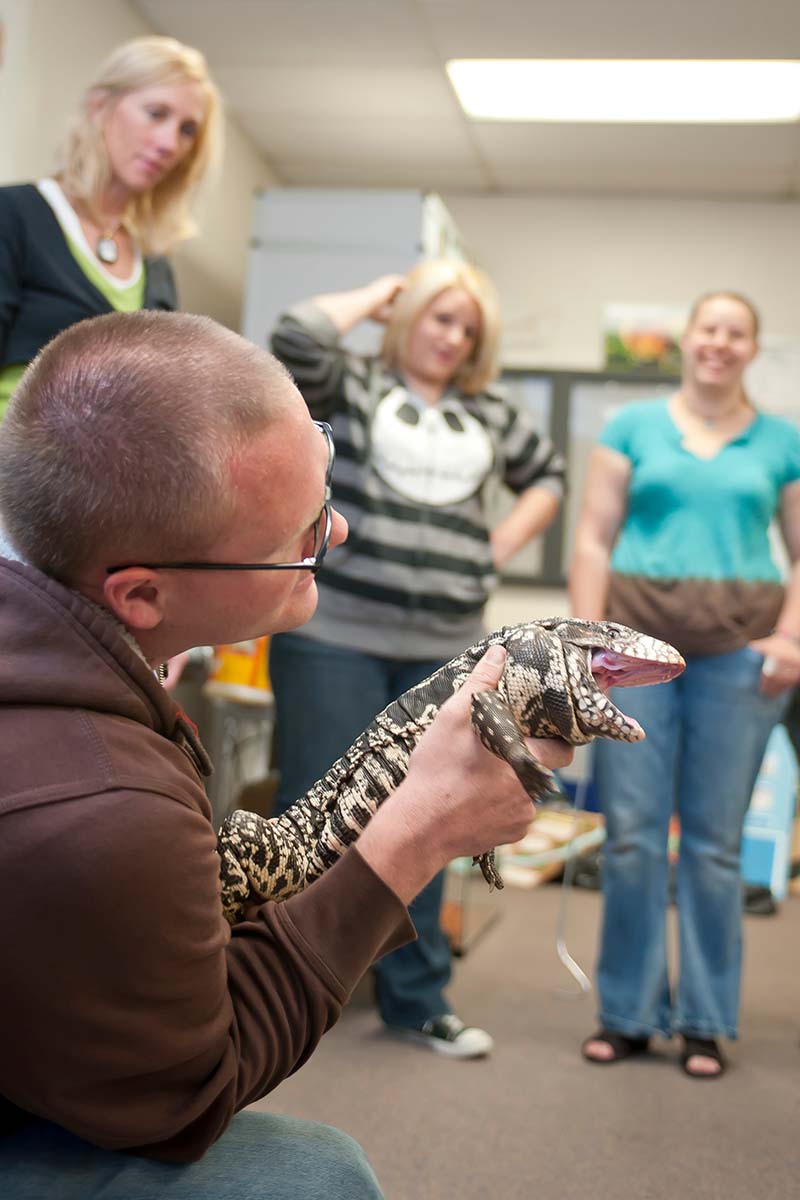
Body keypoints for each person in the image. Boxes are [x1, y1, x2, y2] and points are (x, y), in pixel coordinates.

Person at [0, 309, 573, 1197]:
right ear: (142, 593)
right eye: (302, 536)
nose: (335, 536)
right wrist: (414, 839)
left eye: (327, 493)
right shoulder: (103, 806)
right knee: (316, 1175)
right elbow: (182, 1104)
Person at [268, 261, 566, 1058]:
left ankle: (416, 999)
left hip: (446, 651)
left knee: (436, 815)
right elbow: (295, 335)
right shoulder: (354, 388)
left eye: (466, 327)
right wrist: (378, 294)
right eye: (439, 318)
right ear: (409, 321)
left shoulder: (491, 413)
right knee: (314, 812)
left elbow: (549, 477)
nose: (451, 337)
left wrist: (496, 546)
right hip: (335, 638)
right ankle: (278, 990)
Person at [569, 290, 800, 1079]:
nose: (720, 343)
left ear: (751, 347)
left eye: (737, 332)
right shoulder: (633, 427)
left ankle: (703, 1019)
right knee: (632, 834)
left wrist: (792, 639)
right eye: (710, 328)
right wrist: (585, 642)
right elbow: (594, 539)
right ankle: (627, 1014)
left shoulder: (781, 440)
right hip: (636, 652)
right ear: (688, 340)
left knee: (713, 844)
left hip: (740, 656)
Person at [0, 34, 221, 420]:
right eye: (156, 113)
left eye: (187, 130)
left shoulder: (156, 264)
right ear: (100, 106)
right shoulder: (14, 214)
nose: (170, 143)